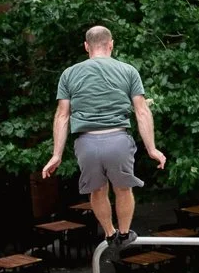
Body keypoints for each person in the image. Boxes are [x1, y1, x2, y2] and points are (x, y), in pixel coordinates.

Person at [42, 25, 166, 249]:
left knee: (97, 190)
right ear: (111, 45)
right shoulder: (128, 71)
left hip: (86, 142)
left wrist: (56, 155)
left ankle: (109, 234)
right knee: (123, 188)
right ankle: (125, 233)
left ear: (86, 46)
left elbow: (62, 116)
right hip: (118, 139)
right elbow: (142, 111)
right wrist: (152, 149)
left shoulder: (69, 74)